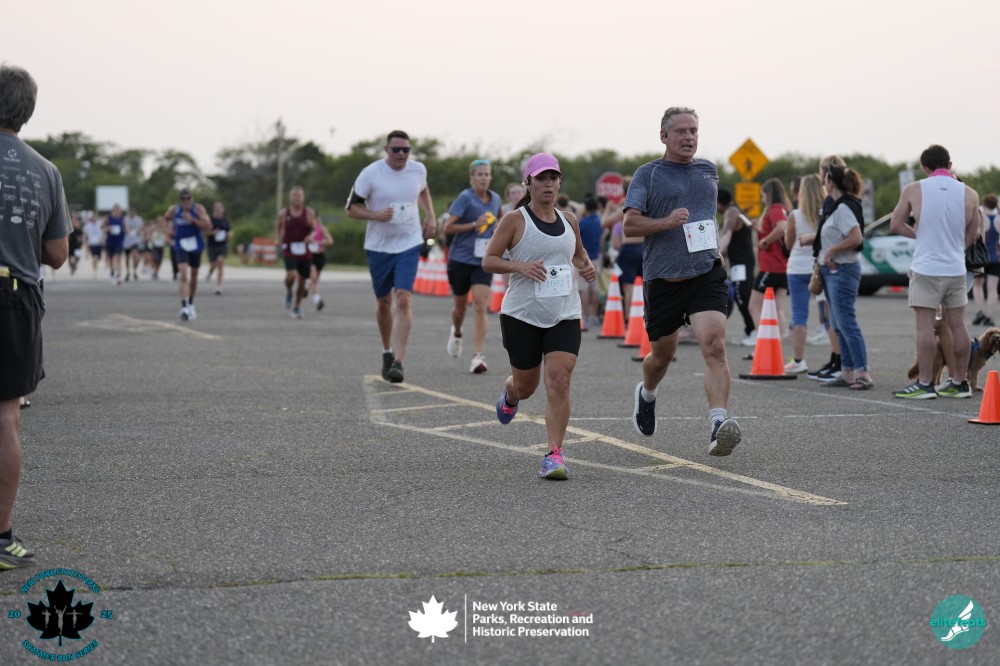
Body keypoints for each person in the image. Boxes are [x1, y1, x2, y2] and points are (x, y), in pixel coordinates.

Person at [624, 107, 742, 456]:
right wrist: (666, 222)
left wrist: (714, 247)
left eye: (693, 131)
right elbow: (630, 225)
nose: (689, 137)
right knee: (662, 357)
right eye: (680, 131)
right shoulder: (648, 174)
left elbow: (705, 219)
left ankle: (718, 424)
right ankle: (647, 394)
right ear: (664, 136)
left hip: (706, 273)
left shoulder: (708, 171)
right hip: (664, 278)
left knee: (714, 344)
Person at [482, 153, 597, 479]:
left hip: (564, 312)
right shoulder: (514, 220)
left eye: (553, 178)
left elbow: (578, 254)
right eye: (541, 178)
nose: (548, 184)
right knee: (526, 386)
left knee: (559, 380)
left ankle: (554, 455)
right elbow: (489, 261)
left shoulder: (570, 220)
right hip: (522, 315)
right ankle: (511, 394)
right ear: (528, 183)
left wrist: (586, 267)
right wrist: (518, 266)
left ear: (559, 183)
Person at [0, 63, 72, 568]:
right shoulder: (44, 171)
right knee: (6, 416)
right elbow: (57, 254)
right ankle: (1, 539)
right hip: (13, 296)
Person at [346, 130, 436, 383]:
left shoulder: (418, 170)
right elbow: (351, 209)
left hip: (409, 243)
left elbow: (423, 190)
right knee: (383, 303)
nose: (401, 154)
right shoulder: (370, 173)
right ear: (386, 150)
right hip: (379, 246)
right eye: (396, 150)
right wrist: (375, 215)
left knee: (403, 300)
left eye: (406, 150)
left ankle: (398, 361)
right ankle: (387, 350)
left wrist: (430, 215)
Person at [890, 145, 979, 398]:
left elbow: (896, 224)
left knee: (925, 326)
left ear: (925, 168)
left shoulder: (914, 189)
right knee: (958, 325)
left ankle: (925, 383)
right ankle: (960, 382)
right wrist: (956, 247)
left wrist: (918, 235)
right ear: (950, 165)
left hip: (926, 267)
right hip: (956, 267)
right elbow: (973, 234)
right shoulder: (970, 193)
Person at [816, 163, 874, 390]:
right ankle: (848, 372)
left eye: (825, 179)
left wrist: (831, 250)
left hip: (843, 270)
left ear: (831, 182)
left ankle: (863, 373)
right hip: (834, 271)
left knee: (847, 323)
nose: (823, 182)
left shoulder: (843, 208)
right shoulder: (837, 206)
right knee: (838, 324)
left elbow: (856, 237)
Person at [442, 159, 501, 373]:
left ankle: (477, 356)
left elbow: (498, 223)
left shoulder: (496, 199)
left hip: (483, 260)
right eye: (480, 174)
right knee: (459, 309)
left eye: (487, 174)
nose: (484, 178)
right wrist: (474, 225)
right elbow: (447, 228)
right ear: (472, 178)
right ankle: (457, 332)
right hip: (460, 259)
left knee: (480, 304)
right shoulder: (465, 198)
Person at [808, 155, 847, 381]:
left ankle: (841, 361)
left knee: (836, 317)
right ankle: (836, 358)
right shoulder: (831, 200)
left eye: (822, 172)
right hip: (826, 261)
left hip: (835, 265)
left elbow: (846, 234)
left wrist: (813, 241)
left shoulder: (837, 201)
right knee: (831, 315)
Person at [783, 175, 824, 373]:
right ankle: (839, 359)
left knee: (799, 315)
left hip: (797, 268)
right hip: (820, 267)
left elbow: (789, 244)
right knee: (830, 314)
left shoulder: (795, 215)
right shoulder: (825, 213)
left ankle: (799, 360)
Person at [745, 178, 790, 346]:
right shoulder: (782, 209)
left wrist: (765, 241)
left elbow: (782, 226)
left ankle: (764, 343)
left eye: (763, 195)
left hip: (771, 267)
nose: (762, 199)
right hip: (782, 266)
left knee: (754, 306)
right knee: (777, 307)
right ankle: (778, 342)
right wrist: (758, 228)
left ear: (769, 194)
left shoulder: (775, 209)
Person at [163, 189, 212, 320]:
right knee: (184, 274)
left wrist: (193, 220)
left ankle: (190, 302)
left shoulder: (199, 209)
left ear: (192, 198)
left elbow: (208, 225)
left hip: (195, 244)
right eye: (183, 199)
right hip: (181, 244)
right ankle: (184, 306)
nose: (186, 201)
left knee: (194, 277)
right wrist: (168, 231)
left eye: (188, 198)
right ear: (180, 200)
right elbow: (166, 218)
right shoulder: (174, 210)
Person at [717, 189, 755, 341]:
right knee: (741, 296)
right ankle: (750, 330)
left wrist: (717, 253)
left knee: (742, 296)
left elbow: (727, 234)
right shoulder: (735, 209)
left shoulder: (731, 212)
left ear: (719, 204)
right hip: (739, 262)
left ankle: (754, 331)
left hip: (742, 263)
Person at [277, 186, 318, 319]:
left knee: (302, 281)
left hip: (304, 251)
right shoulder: (283, 213)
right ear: (290, 198)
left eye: (299, 195)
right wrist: (278, 239)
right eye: (295, 195)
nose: (297, 198)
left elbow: (315, 230)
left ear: (303, 197)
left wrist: (311, 236)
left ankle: (296, 307)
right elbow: (279, 227)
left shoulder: (309, 213)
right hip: (289, 249)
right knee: (291, 276)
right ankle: (289, 291)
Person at [972, 194, 999, 326]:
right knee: (992, 288)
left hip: (980, 257)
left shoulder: (981, 216)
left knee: (977, 285)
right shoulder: (998, 219)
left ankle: (980, 311)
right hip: (996, 258)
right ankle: (989, 317)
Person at [577, 196, 604, 330]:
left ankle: (585, 316)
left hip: (583, 258)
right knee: (595, 288)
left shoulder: (583, 223)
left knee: (583, 289)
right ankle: (594, 315)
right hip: (596, 257)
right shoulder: (599, 221)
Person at [308, 220, 335, 311]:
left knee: (315, 281)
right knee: (313, 278)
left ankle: (306, 287)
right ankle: (318, 300)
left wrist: (319, 242)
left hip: (319, 256)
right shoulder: (305, 228)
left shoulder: (322, 228)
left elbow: (330, 241)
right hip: (309, 256)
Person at [206, 202, 231, 295]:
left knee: (220, 262)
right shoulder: (209, 220)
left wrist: (228, 234)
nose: (219, 211)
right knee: (214, 264)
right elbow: (203, 232)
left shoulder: (225, 220)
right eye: (217, 209)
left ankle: (219, 286)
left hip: (222, 245)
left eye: (220, 209)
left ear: (223, 209)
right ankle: (210, 272)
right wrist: (212, 233)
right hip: (212, 244)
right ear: (214, 210)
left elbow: (230, 231)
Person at [102, 203, 125, 284]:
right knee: (111, 259)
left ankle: (118, 274)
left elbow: (125, 227)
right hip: (110, 241)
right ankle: (112, 272)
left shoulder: (122, 218)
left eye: (118, 210)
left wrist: (126, 229)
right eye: (116, 210)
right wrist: (107, 228)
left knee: (117, 257)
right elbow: (102, 227)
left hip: (119, 241)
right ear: (113, 210)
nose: (117, 211)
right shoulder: (108, 218)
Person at [122, 206, 144, 282]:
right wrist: (126, 229)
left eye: (133, 211)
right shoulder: (125, 219)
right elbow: (123, 227)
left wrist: (140, 233)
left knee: (136, 256)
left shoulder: (139, 219)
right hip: (127, 241)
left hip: (136, 240)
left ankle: (134, 269)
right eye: (130, 211)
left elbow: (141, 228)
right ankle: (128, 272)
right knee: (127, 257)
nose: (132, 213)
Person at [82, 212, 104, 277]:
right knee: (94, 257)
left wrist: (103, 239)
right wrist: (85, 243)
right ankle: (95, 270)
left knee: (98, 258)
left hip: (99, 243)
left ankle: (95, 267)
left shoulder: (100, 223)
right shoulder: (87, 225)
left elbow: (104, 231)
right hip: (91, 244)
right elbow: (85, 235)